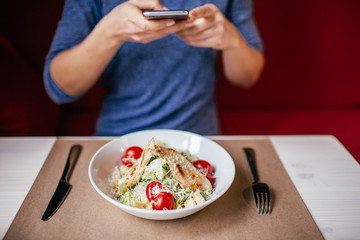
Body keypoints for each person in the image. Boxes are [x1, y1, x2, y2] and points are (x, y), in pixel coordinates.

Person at [44, 0, 264, 136]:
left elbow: (247, 77)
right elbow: (59, 88)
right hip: (119, 140)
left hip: (200, 139)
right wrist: (110, 31)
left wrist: (232, 41)